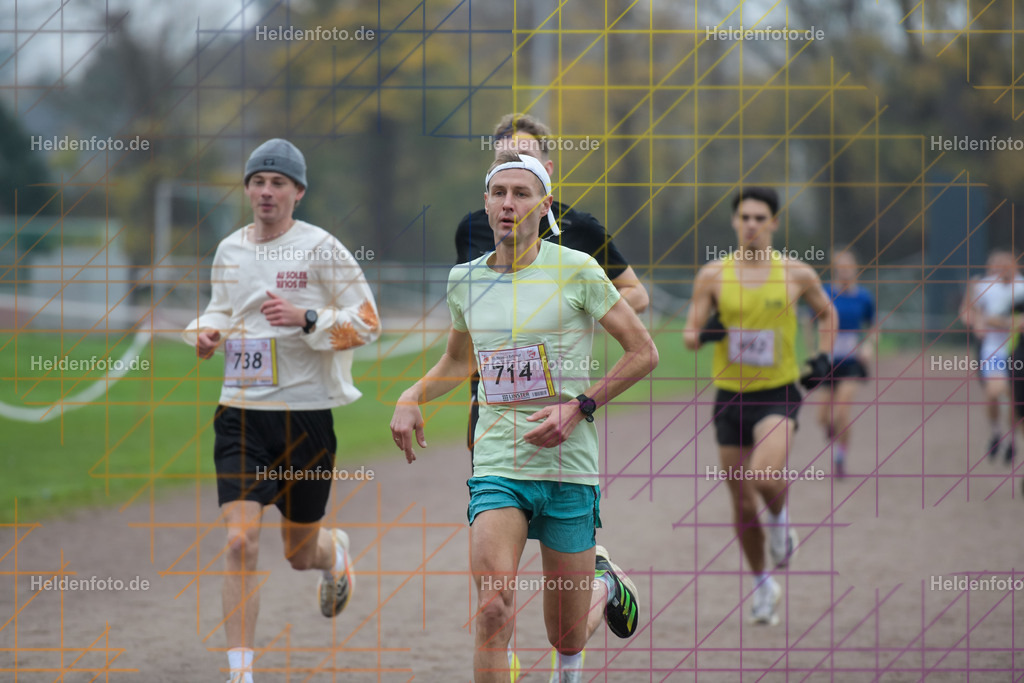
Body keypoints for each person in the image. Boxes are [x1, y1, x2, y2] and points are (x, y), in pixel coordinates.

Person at [391, 151, 658, 682]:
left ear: (545, 205)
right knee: (493, 607)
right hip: (497, 463)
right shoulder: (465, 280)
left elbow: (643, 352)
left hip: (567, 465)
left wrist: (579, 407)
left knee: (566, 634)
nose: (508, 204)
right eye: (499, 194)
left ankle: (604, 584)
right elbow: (459, 360)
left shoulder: (578, 270)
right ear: (486, 206)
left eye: (521, 194)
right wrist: (411, 395)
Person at [182, 139, 382, 683]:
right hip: (240, 413)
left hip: (306, 418)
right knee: (240, 540)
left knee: (298, 553)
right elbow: (221, 308)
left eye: (278, 182)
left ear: (297, 192)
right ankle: (241, 672)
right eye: (258, 181)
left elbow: (368, 322)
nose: (266, 191)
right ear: (247, 188)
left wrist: (307, 318)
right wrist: (206, 331)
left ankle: (331, 553)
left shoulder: (321, 248)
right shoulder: (230, 250)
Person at [683, 187, 836, 626]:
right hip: (729, 396)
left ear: (773, 222)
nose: (751, 223)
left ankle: (783, 523)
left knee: (765, 476)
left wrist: (824, 356)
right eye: (744, 216)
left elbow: (826, 313)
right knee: (742, 506)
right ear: (735, 222)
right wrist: (708, 332)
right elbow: (690, 335)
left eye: (760, 217)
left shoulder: (795, 273)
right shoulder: (713, 275)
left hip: (778, 391)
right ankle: (763, 585)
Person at [456, 113, 650, 454]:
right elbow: (466, 304)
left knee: (555, 491)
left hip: (560, 392)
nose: (514, 165)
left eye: (525, 158)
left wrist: (575, 314)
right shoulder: (473, 227)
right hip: (491, 391)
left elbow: (635, 293)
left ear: (548, 168)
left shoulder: (580, 227)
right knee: (489, 487)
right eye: (504, 158)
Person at [817, 248, 878, 478]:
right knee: (823, 418)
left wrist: (869, 345)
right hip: (828, 359)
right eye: (840, 267)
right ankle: (833, 433)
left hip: (852, 360)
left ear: (856, 269)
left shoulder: (863, 297)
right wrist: (816, 349)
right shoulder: (824, 293)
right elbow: (808, 320)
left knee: (842, 413)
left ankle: (840, 457)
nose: (844, 271)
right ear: (835, 269)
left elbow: (873, 327)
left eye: (848, 267)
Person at [959, 250, 1024, 463]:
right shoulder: (984, 285)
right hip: (993, 350)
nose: (999, 269)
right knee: (995, 392)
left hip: (1017, 350)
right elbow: (969, 311)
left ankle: (1012, 439)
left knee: (1014, 399)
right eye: (995, 265)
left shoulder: (1022, 287)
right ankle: (997, 434)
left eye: (1004, 265)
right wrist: (976, 320)